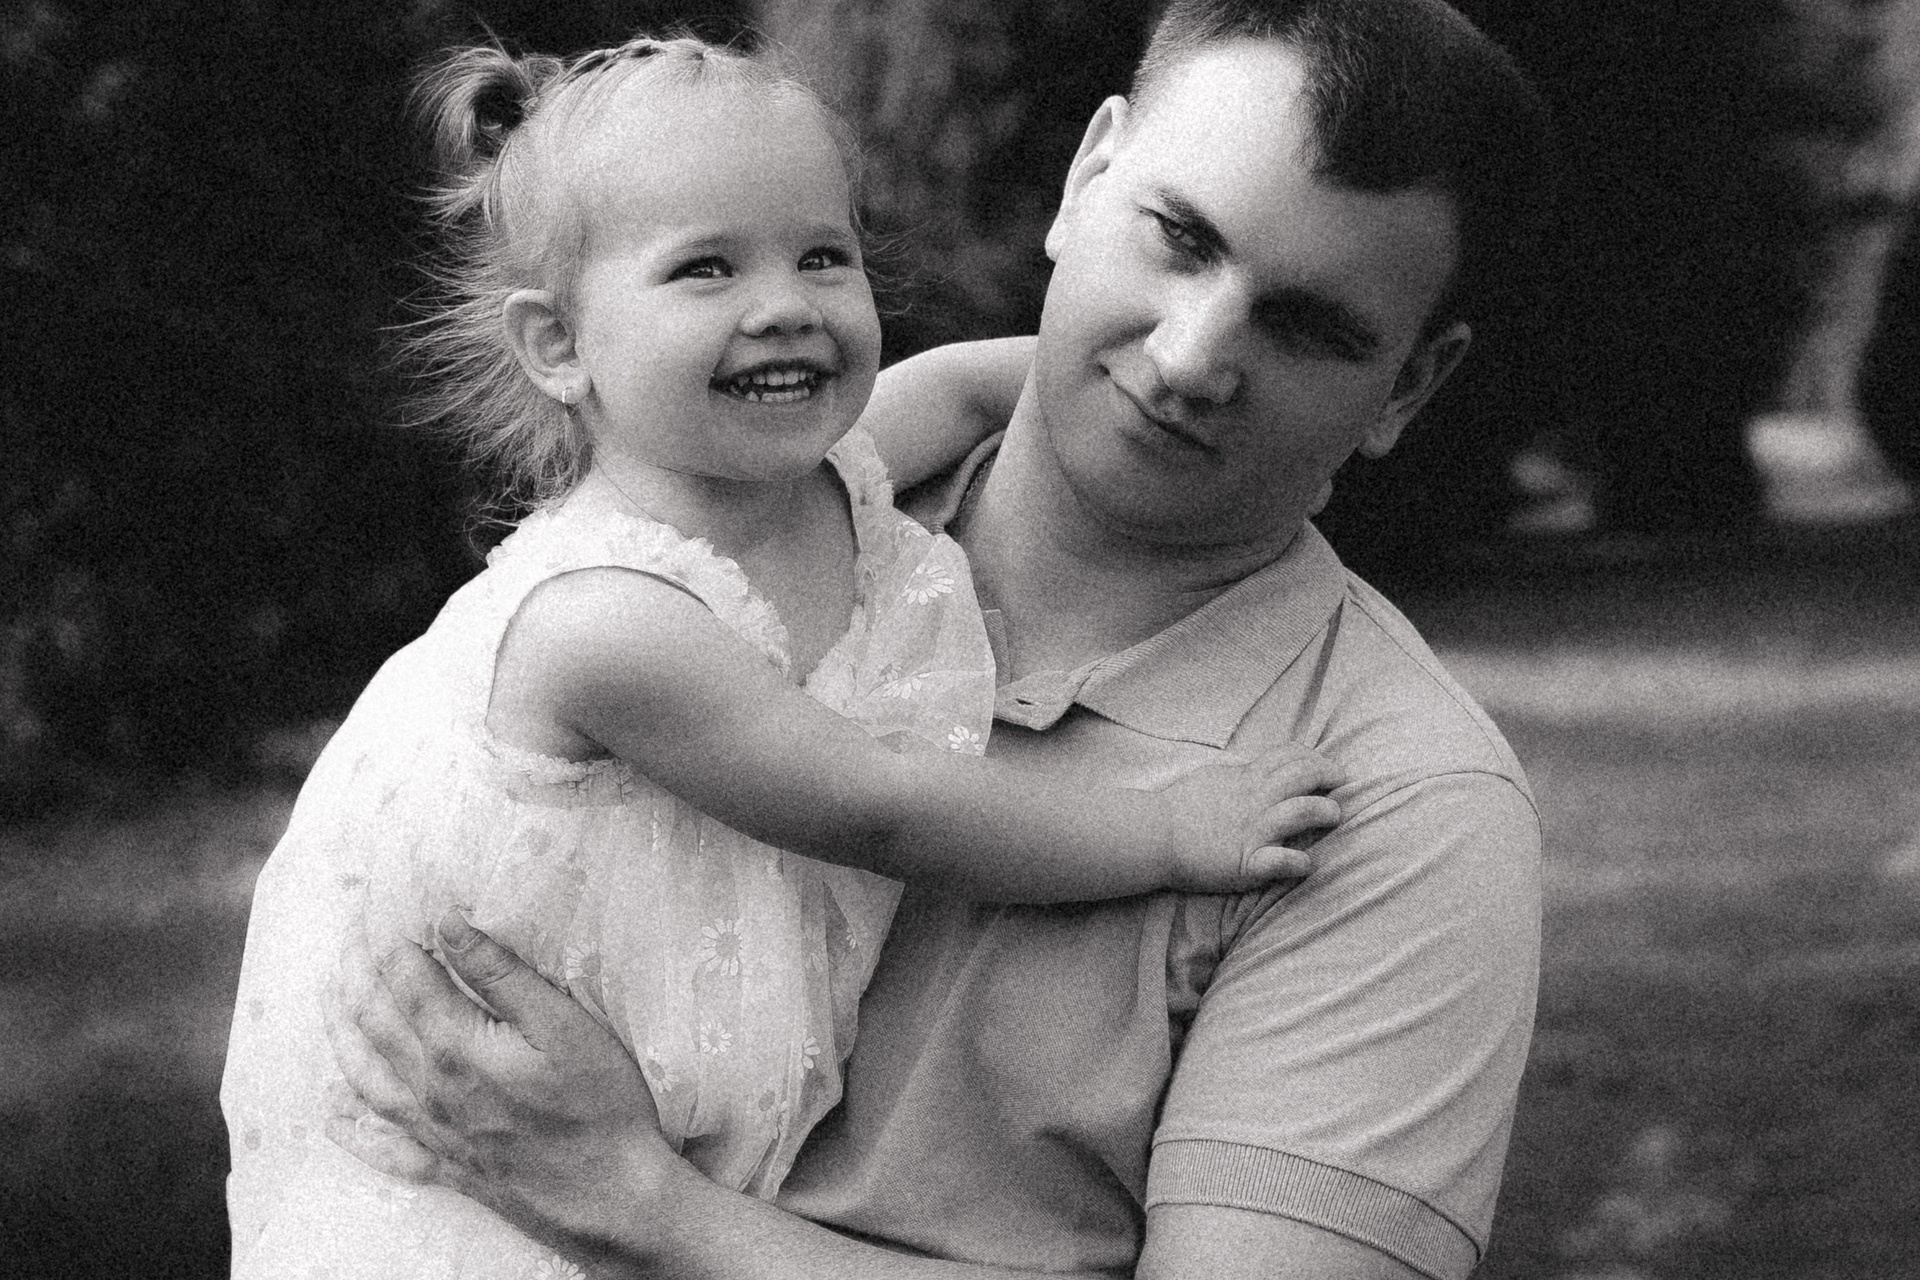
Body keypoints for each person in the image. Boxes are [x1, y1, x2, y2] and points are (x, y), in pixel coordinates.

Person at [326, 2, 1553, 1277]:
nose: (1191, 359)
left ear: (1409, 386)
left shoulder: (1398, 804)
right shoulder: (758, 510)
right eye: (1179, 238)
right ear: (1086, 177)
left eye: (1306, 328)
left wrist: (644, 1204)